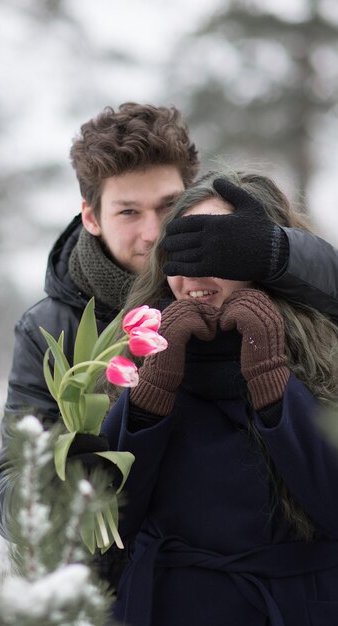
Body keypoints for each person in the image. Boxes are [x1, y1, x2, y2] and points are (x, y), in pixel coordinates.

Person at [0, 103, 338, 569]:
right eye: (128, 211)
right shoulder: (54, 327)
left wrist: (279, 252)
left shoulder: (262, 284)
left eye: (169, 207)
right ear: (91, 217)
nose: (154, 234)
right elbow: (8, 487)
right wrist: (62, 484)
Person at [101, 171, 338, 626]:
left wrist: (270, 376)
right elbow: (105, 518)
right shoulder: (129, 351)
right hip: (164, 605)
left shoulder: (324, 351)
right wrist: (153, 388)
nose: (195, 272)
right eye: (184, 251)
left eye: (221, 250)